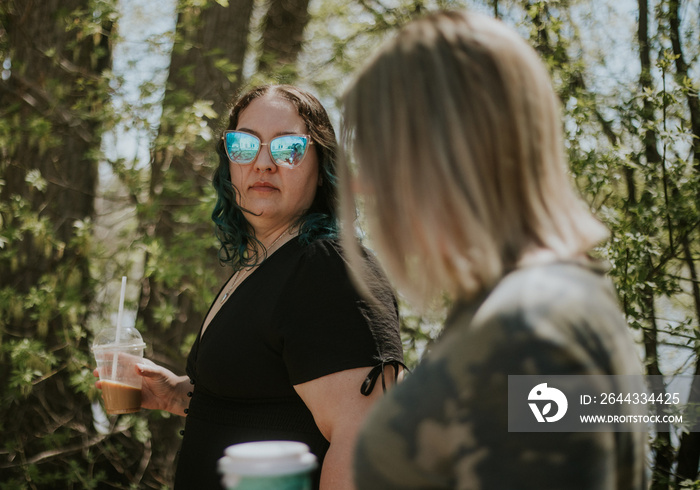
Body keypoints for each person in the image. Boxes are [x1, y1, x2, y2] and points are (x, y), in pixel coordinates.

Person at [340, 10, 647, 490]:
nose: (362, 183)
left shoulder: (526, 333)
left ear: (446, 154)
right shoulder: (554, 295)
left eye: (380, 152)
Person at [97, 85, 404, 489]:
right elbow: (270, 402)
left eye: (287, 148)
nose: (263, 163)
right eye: (244, 145)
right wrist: (176, 394)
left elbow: (364, 442)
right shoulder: (266, 264)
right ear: (229, 161)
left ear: (321, 162)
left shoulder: (329, 267)